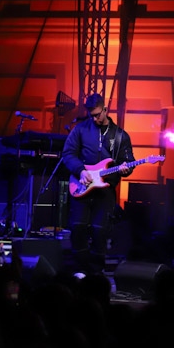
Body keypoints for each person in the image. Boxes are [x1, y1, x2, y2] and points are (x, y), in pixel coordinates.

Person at [62, 93, 134, 274]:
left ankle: (95, 272)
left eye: (97, 114)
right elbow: (68, 153)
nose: (94, 119)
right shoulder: (80, 130)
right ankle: (80, 271)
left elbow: (128, 161)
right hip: (82, 186)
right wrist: (81, 170)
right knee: (77, 227)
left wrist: (126, 168)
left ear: (105, 110)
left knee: (100, 230)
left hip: (105, 191)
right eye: (91, 115)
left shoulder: (120, 135)